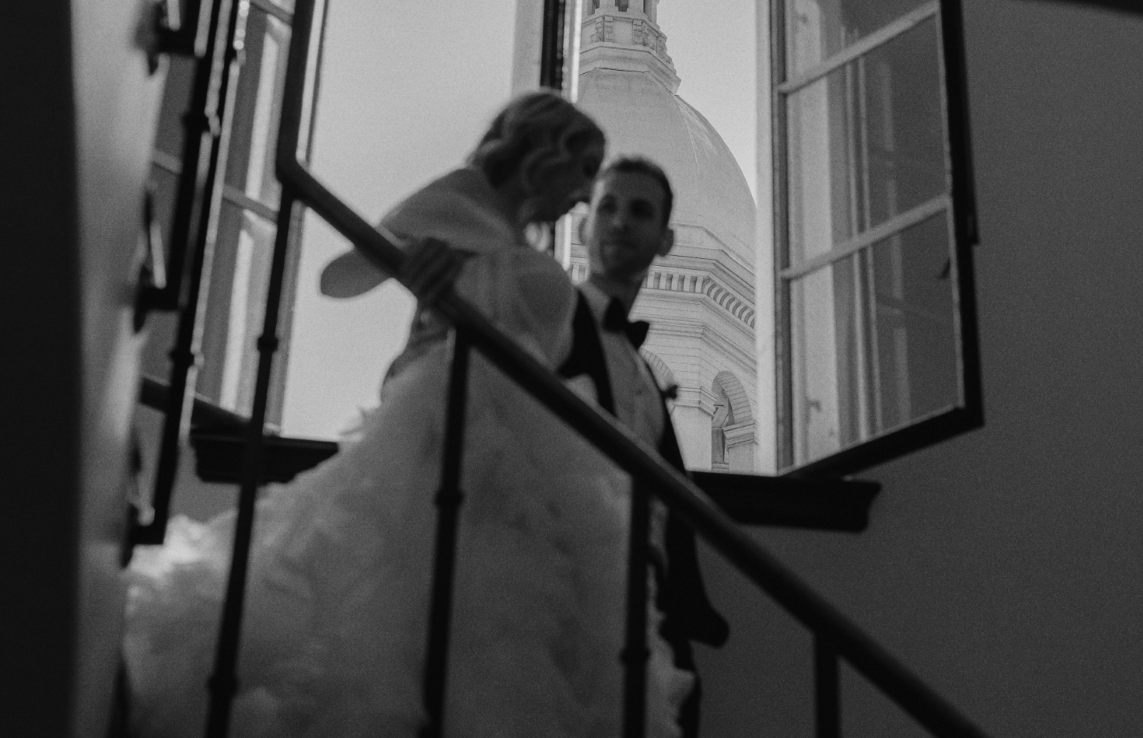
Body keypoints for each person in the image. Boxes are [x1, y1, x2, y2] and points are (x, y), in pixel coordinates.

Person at [122, 91, 696, 737]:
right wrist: (415, 268)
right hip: (454, 441)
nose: (586, 196)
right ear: (543, 154)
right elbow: (343, 276)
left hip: (528, 468)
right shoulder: (460, 202)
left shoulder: (527, 251)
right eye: (586, 172)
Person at [558, 157, 730, 738]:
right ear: (582, 227)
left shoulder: (645, 379)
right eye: (605, 206)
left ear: (665, 240)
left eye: (639, 211)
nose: (620, 222)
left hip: (651, 610)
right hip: (569, 590)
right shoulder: (552, 316)